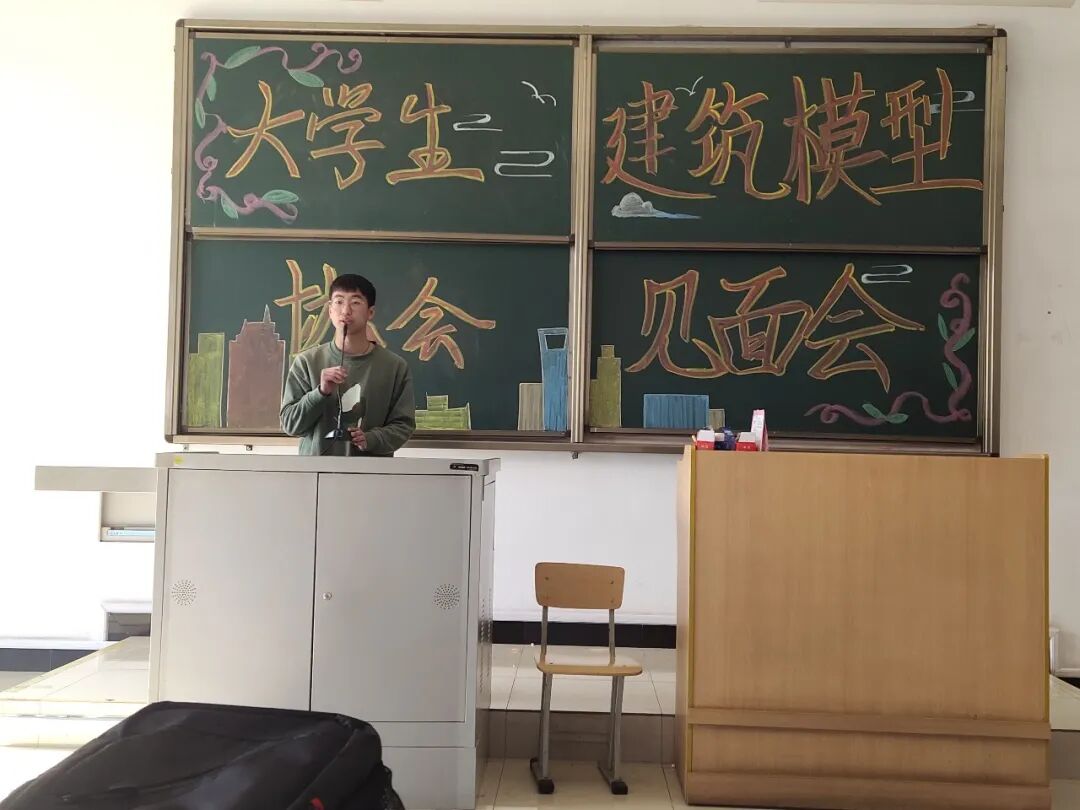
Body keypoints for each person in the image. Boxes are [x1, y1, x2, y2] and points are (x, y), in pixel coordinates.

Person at [281, 273, 415, 456]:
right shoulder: (306, 362)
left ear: (370, 312)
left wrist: (371, 439)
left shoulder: (394, 367)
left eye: (355, 302)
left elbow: (404, 425)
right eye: (339, 302)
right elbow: (290, 425)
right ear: (330, 310)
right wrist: (320, 392)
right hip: (316, 471)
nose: (345, 311)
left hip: (371, 471)